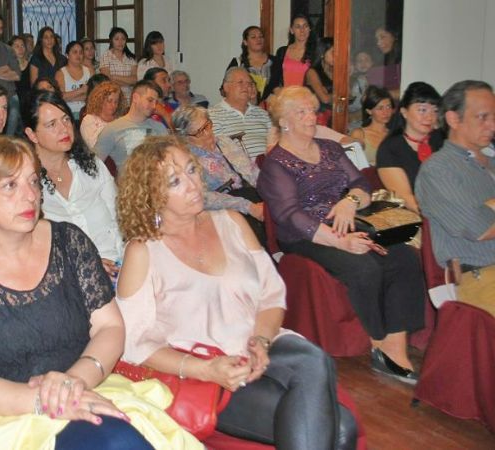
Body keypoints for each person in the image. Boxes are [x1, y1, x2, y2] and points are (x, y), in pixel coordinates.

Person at [0, 136, 181, 449]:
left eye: (33, 181)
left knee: (121, 436)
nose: (30, 196)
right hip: (2, 414)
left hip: (83, 387)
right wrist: (43, 399)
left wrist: (73, 382)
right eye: (10, 186)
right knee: (115, 441)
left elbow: (110, 326)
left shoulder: (69, 242)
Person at [115, 135, 357, 449]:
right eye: (175, 181)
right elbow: (133, 343)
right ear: (151, 195)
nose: (193, 184)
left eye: (192, 170)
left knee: (312, 358)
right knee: (342, 428)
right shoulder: (144, 250)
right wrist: (205, 369)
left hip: (258, 346)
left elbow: (271, 294)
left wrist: (261, 340)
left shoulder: (231, 222)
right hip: (205, 370)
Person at [257, 86, 425, 384]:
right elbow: (290, 217)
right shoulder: (276, 164)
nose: (312, 116)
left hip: (348, 222)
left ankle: (394, 346)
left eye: (312, 110)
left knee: (404, 257)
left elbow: (362, 184)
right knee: (364, 266)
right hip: (306, 237)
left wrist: (349, 202)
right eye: (302, 112)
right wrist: (341, 241)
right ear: (283, 121)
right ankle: (376, 341)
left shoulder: (330, 149)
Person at [25, 91, 122, 281]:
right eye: (52, 124)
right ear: (32, 134)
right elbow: (29, 247)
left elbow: (119, 218)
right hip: (66, 278)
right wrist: (87, 264)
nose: (64, 129)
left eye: (66, 120)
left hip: (116, 266)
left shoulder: (90, 166)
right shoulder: (27, 183)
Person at [416, 80, 495, 271]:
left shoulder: (490, 162)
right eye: (482, 117)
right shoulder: (438, 169)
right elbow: (481, 229)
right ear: (453, 119)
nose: (492, 125)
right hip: (477, 277)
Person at [172, 105, 266, 246]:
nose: (208, 133)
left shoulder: (224, 141)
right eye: (199, 132)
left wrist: (270, 194)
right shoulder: (186, 160)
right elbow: (204, 197)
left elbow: (251, 171)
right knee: (253, 236)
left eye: (207, 125)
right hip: (225, 208)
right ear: (185, 137)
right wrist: (248, 207)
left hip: (252, 196)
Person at [376, 82, 443, 213]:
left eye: (435, 111)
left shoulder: (442, 140)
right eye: (422, 110)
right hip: (422, 217)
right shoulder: (390, 149)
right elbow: (408, 200)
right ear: (404, 112)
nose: (430, 117)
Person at [94, 80, 168, 173]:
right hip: (128, 185)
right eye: (150, 100)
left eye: (156, 102)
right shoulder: (112, 129)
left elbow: (169, 159)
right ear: (135, 98)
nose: (154, 106)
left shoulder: (159, 127)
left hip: (157, 183)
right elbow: (94, 166)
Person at [209, 67, 274, 159]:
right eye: (240, 82)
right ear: (226, 87)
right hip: (236, 170)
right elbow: (216, 151)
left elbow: (274, 143)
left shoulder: (263, 114)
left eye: (249, 83)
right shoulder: (212, 115)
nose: (246, 86)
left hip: (267, 168)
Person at [227, 26, 278, 103]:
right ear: (245, 42)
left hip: (270, 107)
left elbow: (278, 85)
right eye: (253, 37)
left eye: (261, 36)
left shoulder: (275, 61)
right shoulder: (238, 62)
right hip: (244, 106)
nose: (258, 39)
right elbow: (224, 88)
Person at [350, 85, 394, 165]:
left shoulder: (394, 135)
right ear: (369, 111)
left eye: (388, 107)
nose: (386, 112)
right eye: (380, 108)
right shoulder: (359, 134)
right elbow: (352, 163)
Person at [272, 14, 314, 89]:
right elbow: (275, 79)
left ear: (310, 29)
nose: (302, 30)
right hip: (285, 97)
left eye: (305, 26)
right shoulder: (282, 51)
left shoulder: (316, 51)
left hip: (307, 98)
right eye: (298, 27)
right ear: (292, 30)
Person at [80, 81, 124, 150]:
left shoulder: (120, 120)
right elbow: (93, 145)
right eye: (109, 101)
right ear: (100, 101)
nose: (113, 105)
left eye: (116, 102)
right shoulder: (89, 120)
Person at [99, 27, 137, 102]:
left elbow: (135, 80)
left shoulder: (131, 58)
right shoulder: (106, 56)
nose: (120, 42)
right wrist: (127, 81)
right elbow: (107, 80)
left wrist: (115, 76)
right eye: (116, 39)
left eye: (123, 39)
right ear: (111, 41)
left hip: (129, 99)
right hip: (112, 98)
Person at [55, 41, 92, 120]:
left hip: (87, 113)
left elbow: (93, 95)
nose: (78, 55)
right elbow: (61, 97)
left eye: (81, 52)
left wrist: (70, 97)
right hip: (68, 114)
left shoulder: (89, 71)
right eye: (75, 52)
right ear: (67, 55)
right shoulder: (60, 73)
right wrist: (81, 91)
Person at [305, 37, 334, 126]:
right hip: (317, 117)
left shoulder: (336, 72)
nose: (337, 55)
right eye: (333, 52)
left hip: (334, 115)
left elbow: (348, 96)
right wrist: (336, 96)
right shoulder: (312, 72)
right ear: (322, 54)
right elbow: (324, 99)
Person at [9, 35, 32, 116]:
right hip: (13, 106)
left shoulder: (32, 66)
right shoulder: (8, 68)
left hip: (29, 105)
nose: (20, 49)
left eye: (22, 45)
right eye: (17, 46)